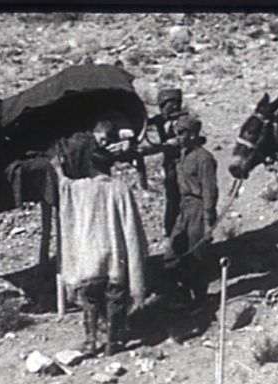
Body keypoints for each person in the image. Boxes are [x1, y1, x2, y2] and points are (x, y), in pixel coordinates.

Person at [53, 132, 148, 357]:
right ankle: (112, 342)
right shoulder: (120, 188)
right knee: (115, 299)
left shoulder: (81, 188)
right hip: (115, 257)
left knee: (90, 301)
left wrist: (58, 168)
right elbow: (132, 225)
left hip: (90, 258)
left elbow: (63, 186)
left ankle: (90, 341)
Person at [167, 114, 219, 307]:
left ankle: (199, 301)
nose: (178, 137)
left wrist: (208, 222)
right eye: (177, 133)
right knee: (172, 255)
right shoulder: (183, 154)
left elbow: (209, 191)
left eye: (182, 133)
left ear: (193, 134)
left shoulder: (204, 159)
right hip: (184, 207)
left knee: (196, 257)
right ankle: (183, 296)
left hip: (198, 207)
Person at [151, 87, 186, 237]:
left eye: (174, 105)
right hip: (170, 166)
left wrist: (173, 142)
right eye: (166, 106)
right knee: (172, 197)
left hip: (185, 165)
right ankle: (171, 230)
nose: (171, 109)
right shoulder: (161, 121)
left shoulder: (185, 120)